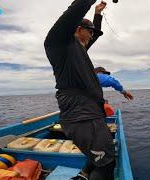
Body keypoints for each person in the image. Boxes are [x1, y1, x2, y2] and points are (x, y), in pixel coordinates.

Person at [44, 0, 115, 179]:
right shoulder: (58, 44)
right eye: (89, 32)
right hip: (81, 115)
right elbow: (74, 11)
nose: (92, 36)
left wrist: (97, 14)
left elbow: (94, 35)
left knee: (101, 156)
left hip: (91, 113)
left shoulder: (79, 49)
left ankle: (83, 175)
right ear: (76, 29)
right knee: (106, 164)